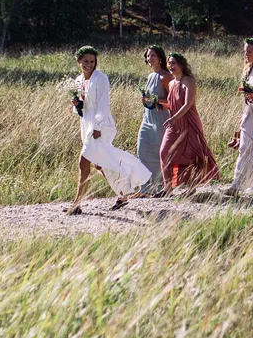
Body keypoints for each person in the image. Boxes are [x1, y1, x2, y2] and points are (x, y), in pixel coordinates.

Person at [68, 46, 151, 215]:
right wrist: (77, 105)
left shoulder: (101, 78)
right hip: (86, 124)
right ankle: (122, 195)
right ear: (79, 61)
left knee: (83, 162)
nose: (89, 65)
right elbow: (83, 107)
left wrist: (97, 127)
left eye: (92, 61)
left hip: (100, 126)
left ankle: (76, 204)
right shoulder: (78, 80)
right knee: (100, 164)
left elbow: (103, 105)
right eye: (85, 61)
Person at [159, 52, 220, 192]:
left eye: (174, 63)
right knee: (165, 152)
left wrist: (174, 118)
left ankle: (192, 187)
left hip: (188, 122)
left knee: (191, 155)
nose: (171, 66)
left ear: (181, 64)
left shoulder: (189, 81)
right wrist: (160, 104)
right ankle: (168, 186)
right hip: (174, 124)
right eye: (169, 63)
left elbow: (187, 104)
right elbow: (173, 103)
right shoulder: (171, 83)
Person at [225, 38, 253, 196]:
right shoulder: (248, 70)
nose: (246, 54)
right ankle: (236, 184)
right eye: (245, 51)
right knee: (244, 147)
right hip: (249, 111)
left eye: (249, 51)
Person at [135, 45, 171, 196]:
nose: (150, 59)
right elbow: (150, 100)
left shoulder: (165, 77)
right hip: (147, 118)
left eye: (153, 56)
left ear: (160, 58)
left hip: (161, 118)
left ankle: (162, 187)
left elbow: (172, 101)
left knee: (159, 153)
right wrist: (146, 101)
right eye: (148, 56)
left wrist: (156, 101)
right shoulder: (150, 77)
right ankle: (144, 188)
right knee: (143, 151)